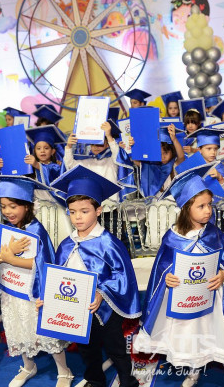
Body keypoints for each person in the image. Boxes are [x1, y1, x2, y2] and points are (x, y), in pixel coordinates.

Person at [134, 165, 224, 387]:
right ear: (186, 208)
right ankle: (194, 371)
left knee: (221, 336)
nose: (208, 211)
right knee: (192, 337)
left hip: (212, 298)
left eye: (210, 205)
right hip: (184, 299)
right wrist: (167, 278)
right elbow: (162, 268)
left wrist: (223, 274)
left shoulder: (214, 234)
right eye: (201, 206)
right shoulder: (172, 237)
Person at [46, 166, 141, 387]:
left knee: (115, 348)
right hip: (77, 308)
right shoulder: (66, 244)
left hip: (105, 308)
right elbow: (59, 276)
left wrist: (101, 292)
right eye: (72, 211)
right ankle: (96, 381)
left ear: (98, 211)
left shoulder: (108, 243)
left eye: (84, 211)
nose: (77, 217)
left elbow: (122, 275)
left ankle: (127, 381)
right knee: (87, 349)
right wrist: (49, 298)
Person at [0, 176, 73, 387]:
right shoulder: (6, 231)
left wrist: (10, 258)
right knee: (18, 328)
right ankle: (29, 366)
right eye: (3, 207)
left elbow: (43, 264)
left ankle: (64, 371)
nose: (8, 211)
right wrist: (4, 256)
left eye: (13, 206)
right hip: (12, 291)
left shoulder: (36, 231)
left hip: (33, 291)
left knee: (44, 331)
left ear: (27, 206)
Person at [64, 122, 134, 202]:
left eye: (100, 144)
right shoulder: (86, 161)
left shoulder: (112, 160)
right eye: (93, 144)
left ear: (107, 145)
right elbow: (69, 164)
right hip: (93, 204)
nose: (96, 147)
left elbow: (116, 152)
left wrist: (108, 136)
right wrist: (69, 146)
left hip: (111, 204)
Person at [133, 124, 185, 197]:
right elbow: (135, 160)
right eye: (159, 154)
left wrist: (174, 139)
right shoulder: (151, 167)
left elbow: (181, 156)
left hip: (172, 202)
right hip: (156, 202)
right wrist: (133, 144)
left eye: (165, 153)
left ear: (172, 151)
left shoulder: (174, 165)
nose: (163, 157)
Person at [184, 128, 224, 196]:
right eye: (209, 149)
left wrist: (220, 178)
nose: (213, 152)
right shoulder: (192, 165)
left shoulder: (219, 167)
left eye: (215, 149)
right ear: (199, 150)